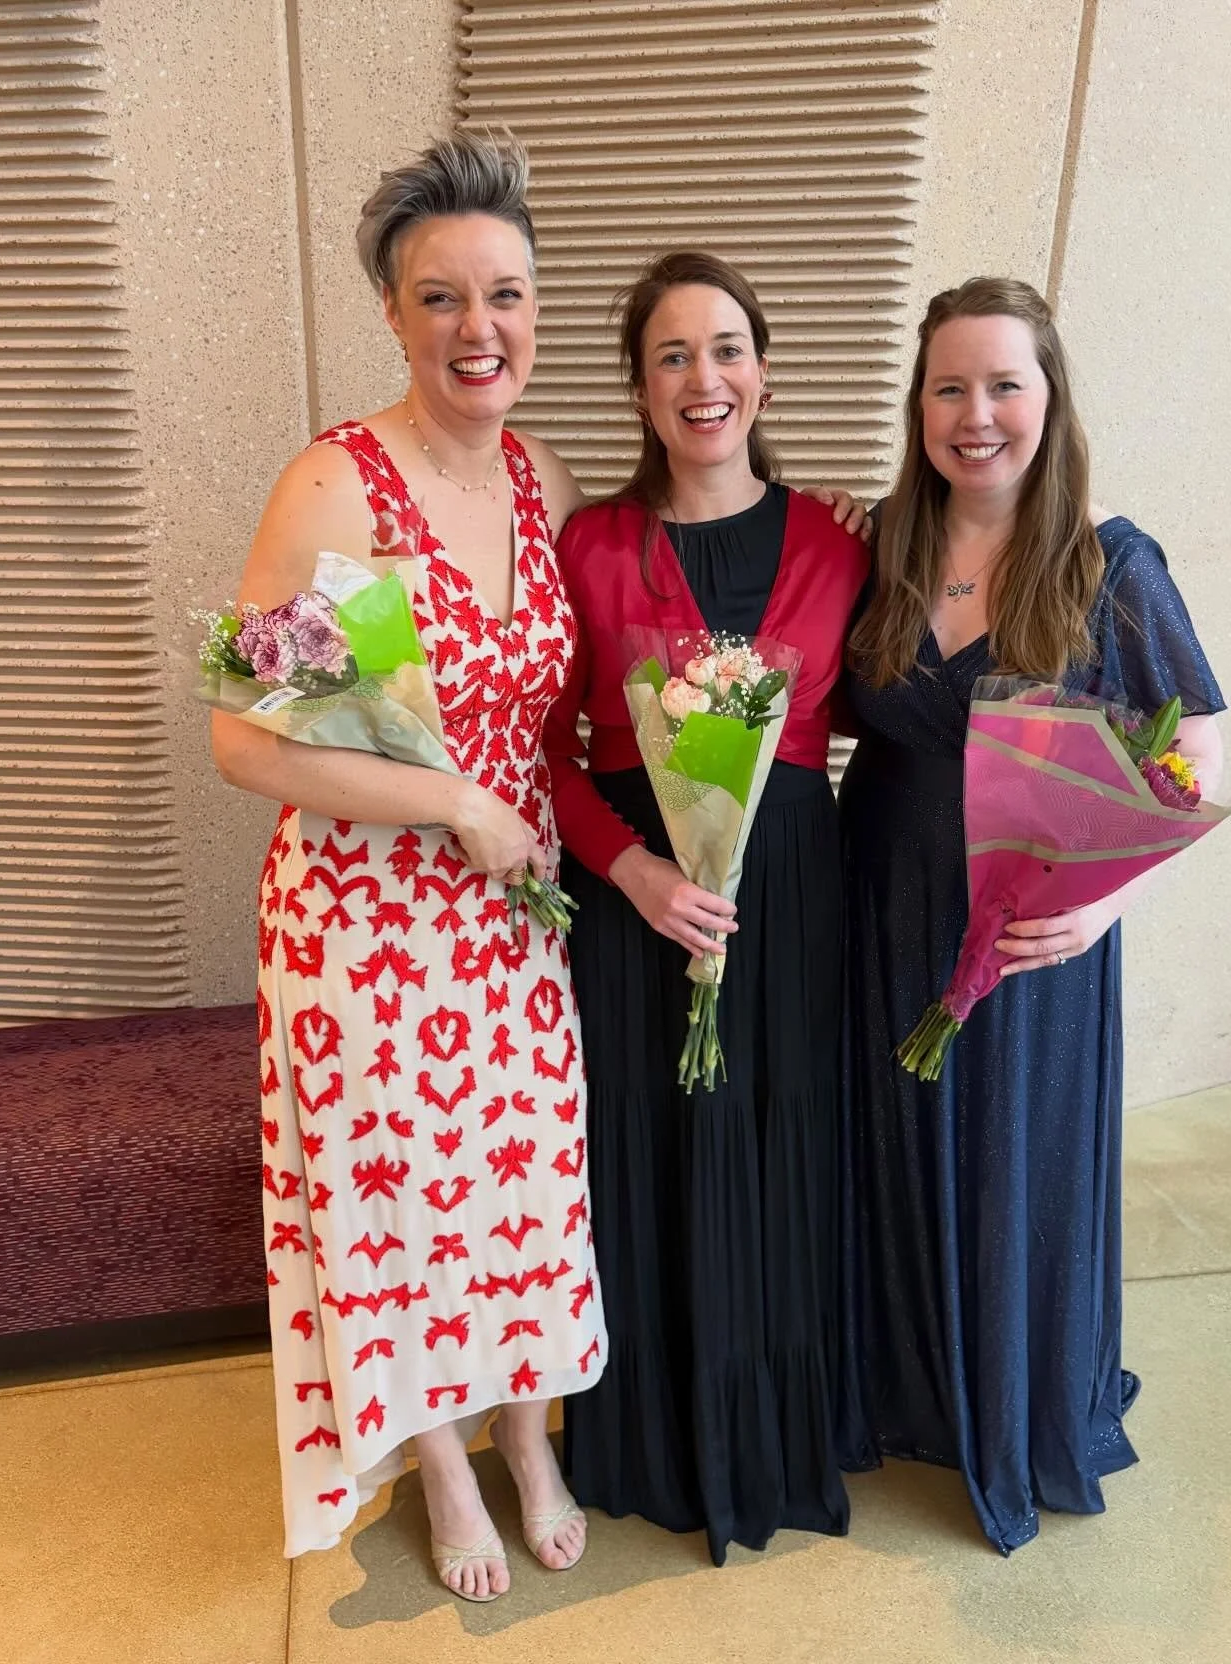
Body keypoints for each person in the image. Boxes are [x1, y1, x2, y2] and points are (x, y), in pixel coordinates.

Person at [211, 132, 606, 1602]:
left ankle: (528, 1434)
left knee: (518, 1191)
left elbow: (564, 705)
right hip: (364, 927)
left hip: (515, 915)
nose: (477, 329)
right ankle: (443, 1461)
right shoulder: (340, 486)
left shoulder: (542, 480)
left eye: (504, 294)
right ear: (393, 311)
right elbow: (247, 741)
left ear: (536, 307)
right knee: (402, 1206)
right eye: (441, 298)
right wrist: (448, 798)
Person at [838, 276, 1225, 1553]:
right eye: (949, 385)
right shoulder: (885, 541)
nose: (976, 412)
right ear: (920, 404)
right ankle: (911, 1388)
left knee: (1016, 1163)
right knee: (895, 1153)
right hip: (884, 910)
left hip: (1032, 937)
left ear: (1050, 399)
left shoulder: (1111, 560)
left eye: (1004, 383)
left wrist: (1111, 905)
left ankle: (1015, 1399)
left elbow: (1199, 760)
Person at [542, 250, 871, 1565]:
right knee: (651, 1150)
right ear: (636, 387)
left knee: (784, 1148)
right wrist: (633, 870)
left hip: (789, 894)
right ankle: (654, 1437)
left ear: (765, 370)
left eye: (727, 348)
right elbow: (545, 751)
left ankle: (778, 1434)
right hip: (635, 899)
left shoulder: (844, 540)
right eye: (672, 355)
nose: (704, 378)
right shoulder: (592, 546)